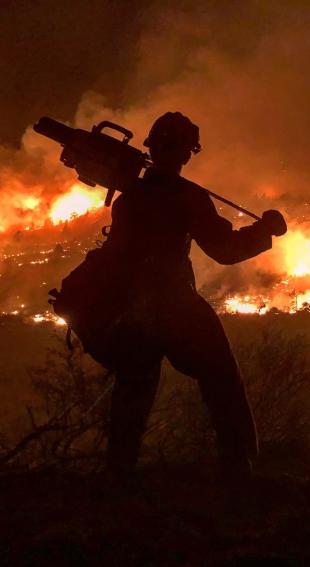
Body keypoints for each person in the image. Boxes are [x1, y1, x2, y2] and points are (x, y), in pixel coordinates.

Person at [102, 112, 287, 486]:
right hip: (173, 302)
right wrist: (264, 230)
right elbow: (224, 250)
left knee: (133, 390)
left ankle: (118, 478)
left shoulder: (129, 199)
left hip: (131, 306)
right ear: (187, 153)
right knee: (221, 377)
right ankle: (238, 470)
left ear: (151, 146)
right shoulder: (187, 197)